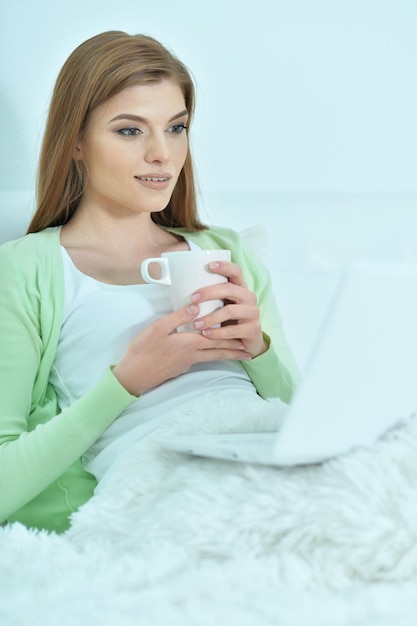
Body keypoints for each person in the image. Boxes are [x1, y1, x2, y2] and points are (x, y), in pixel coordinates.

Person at [0, 31, 299, 534]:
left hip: (271, 454)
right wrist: (126, 383)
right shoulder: (26, 269)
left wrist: (260, 351)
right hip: (165, 489)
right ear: (75, 142)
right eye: (129, 131)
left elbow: (304, 418)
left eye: (176, 127)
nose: (163, 153)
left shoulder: (225, 250)